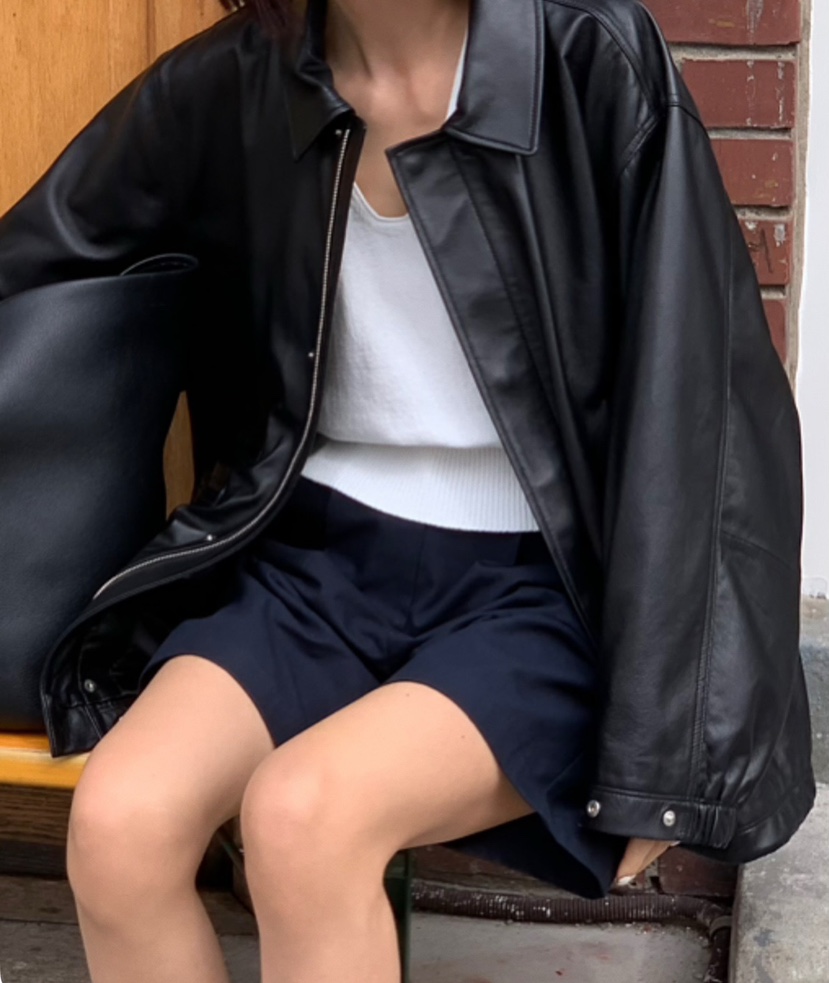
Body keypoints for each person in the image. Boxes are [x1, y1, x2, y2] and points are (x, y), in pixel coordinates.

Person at [0, 0, 813, 981]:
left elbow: (708, 405)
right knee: (119, 823)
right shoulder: (237, 81)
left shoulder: (586, 59)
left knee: (302, 818)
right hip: (311, 567)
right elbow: (40, 262)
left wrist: (669, 750)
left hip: (541, 586)